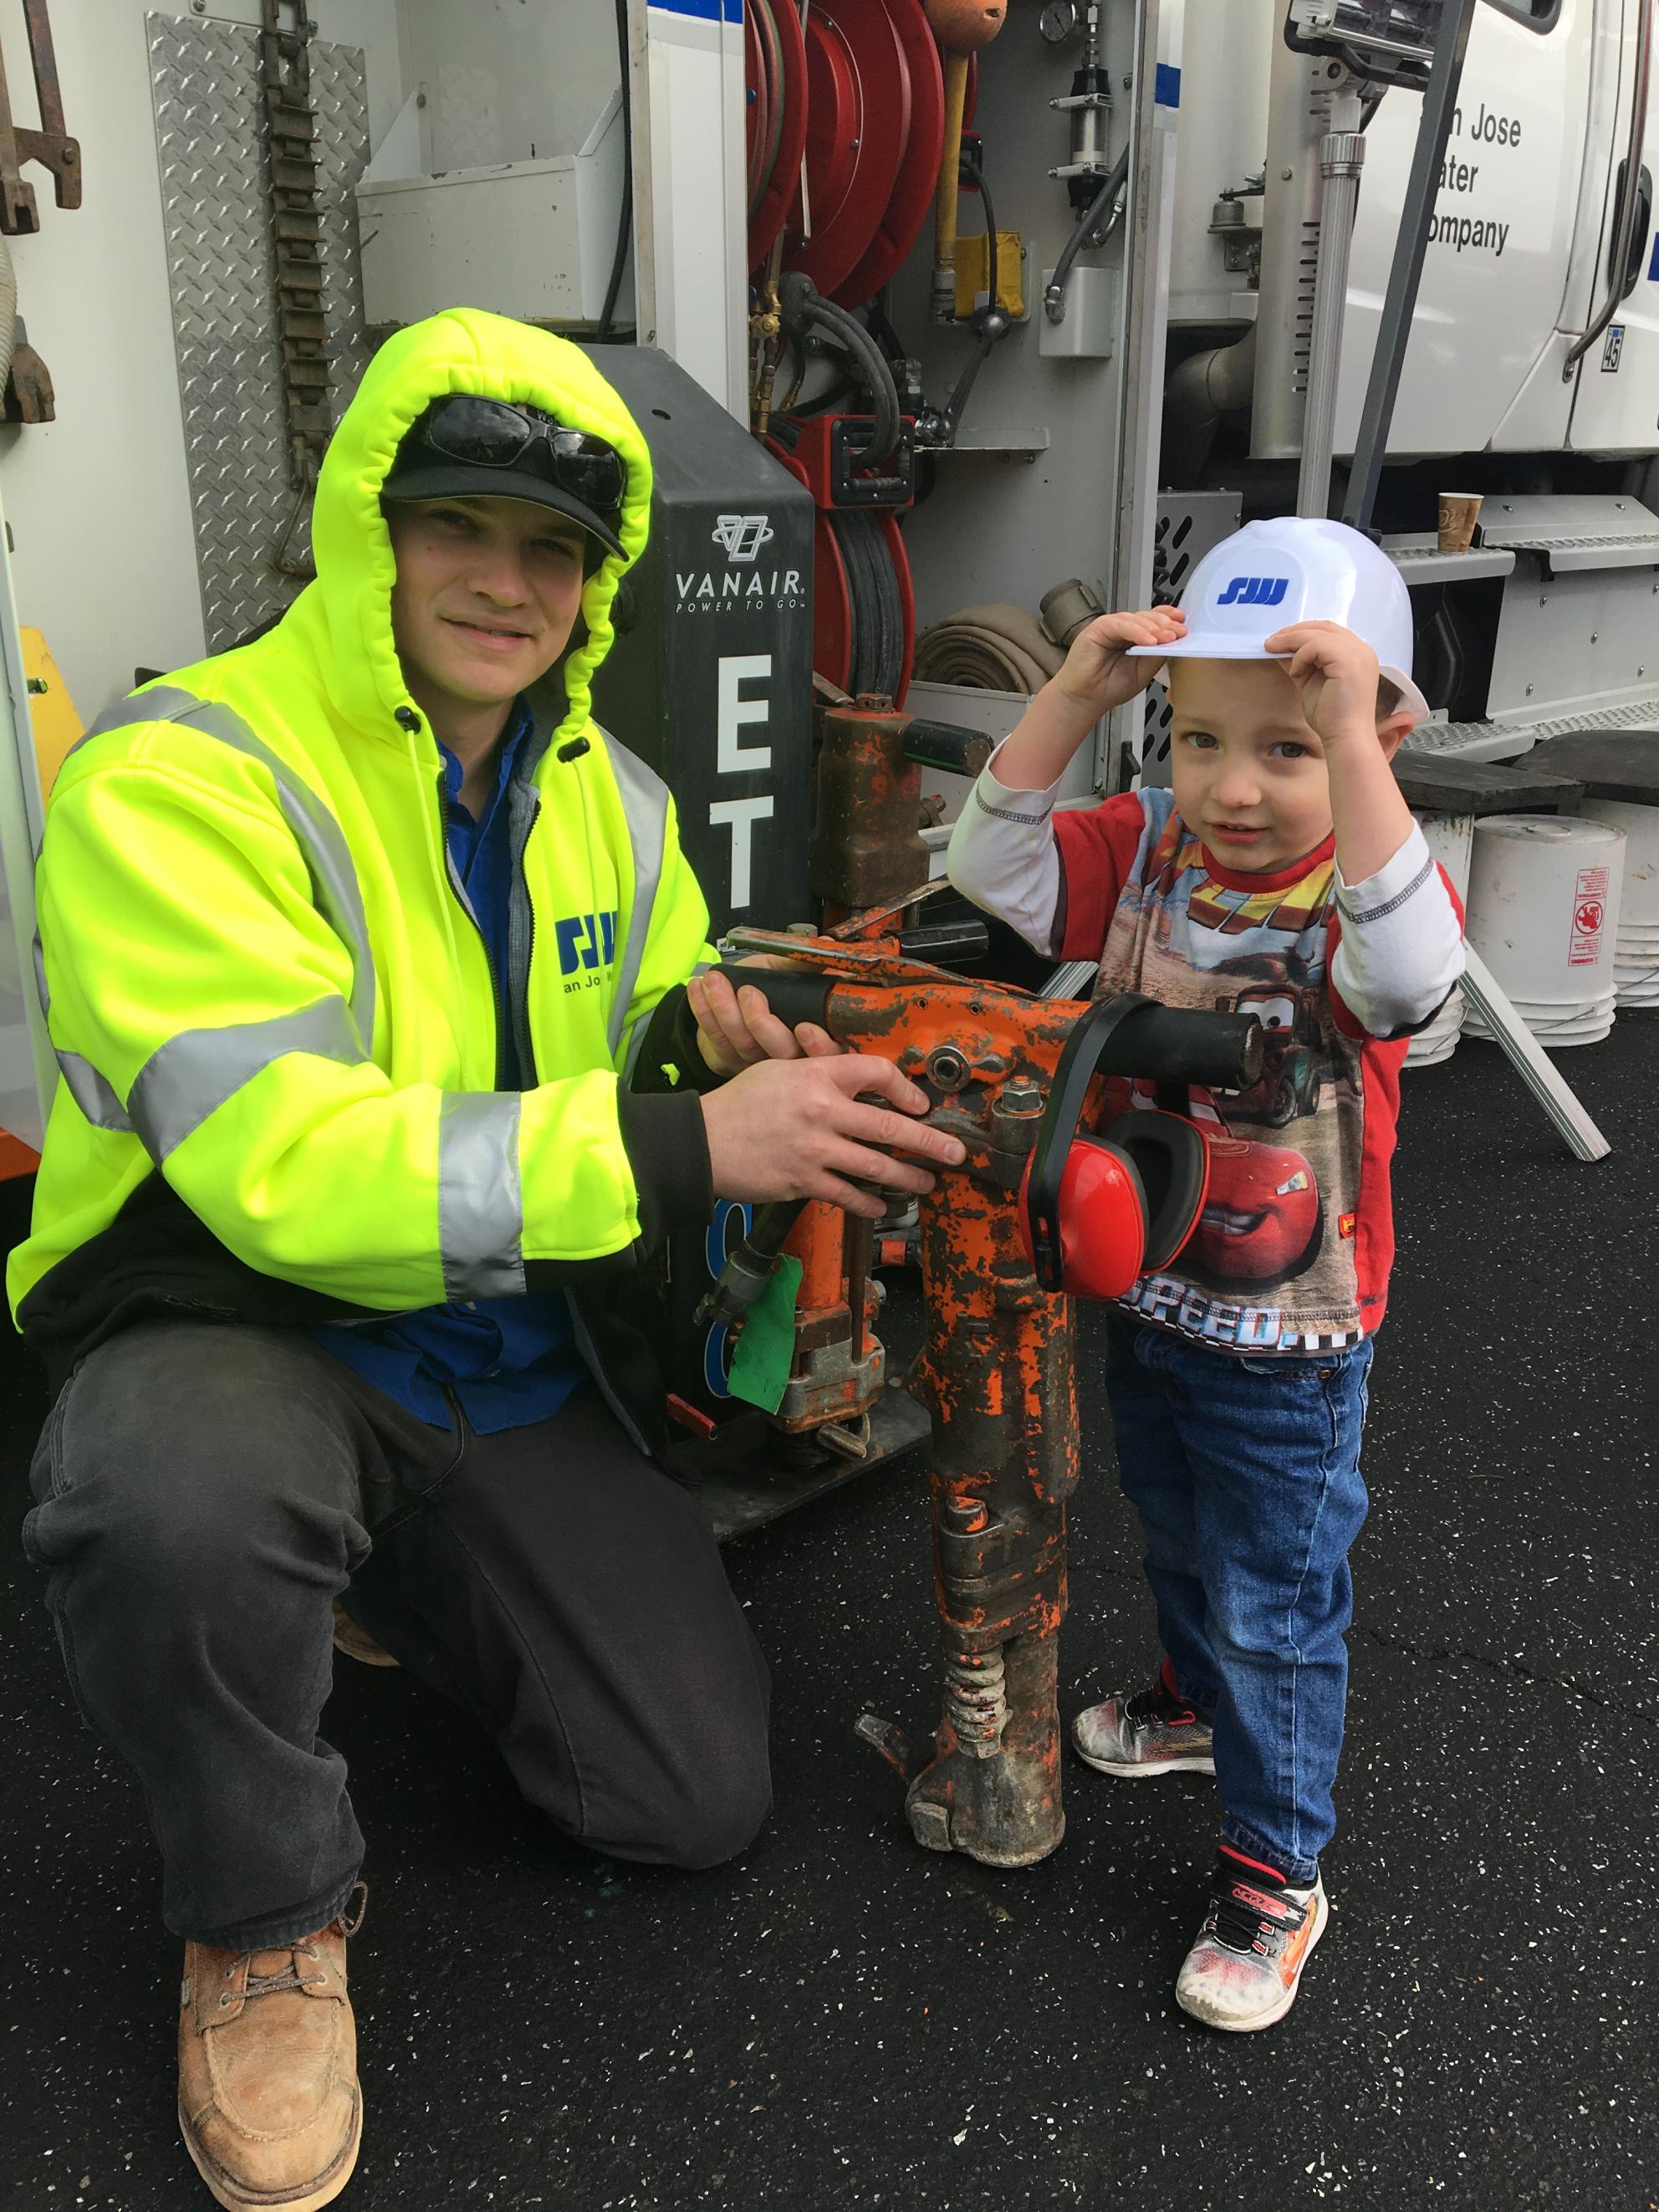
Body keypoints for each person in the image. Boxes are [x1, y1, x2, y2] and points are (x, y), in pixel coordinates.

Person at [12, 306, 964, 2211]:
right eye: (461, 525)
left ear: (598, 579)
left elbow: (640, 1019)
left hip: (493, 1346)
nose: (507, 583)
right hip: (239, 1320)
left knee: (680, 1804)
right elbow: (276, 1163)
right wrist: (686, 1142)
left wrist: (713, 1037)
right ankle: (261, 1910)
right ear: (369, 525)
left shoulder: (614, 796)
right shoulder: (173, 777)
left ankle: (365, 1571)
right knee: (167, 1505)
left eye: (554, 548)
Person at [944, 517, 1464, 2032]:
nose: (1235, 786)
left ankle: (1275, 1867)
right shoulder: (1149, 853)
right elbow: (996, 867)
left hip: (1292, 1340)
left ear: (1375, 744)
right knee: (1173, 1532)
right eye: (1201, 737)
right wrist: (1075, 700)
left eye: (1291, 749)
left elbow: (1419, 977)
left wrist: (1360, 756)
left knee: (1276, 1599)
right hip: (1159, 1297)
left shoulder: (1358, 902)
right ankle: (1190, 1704)